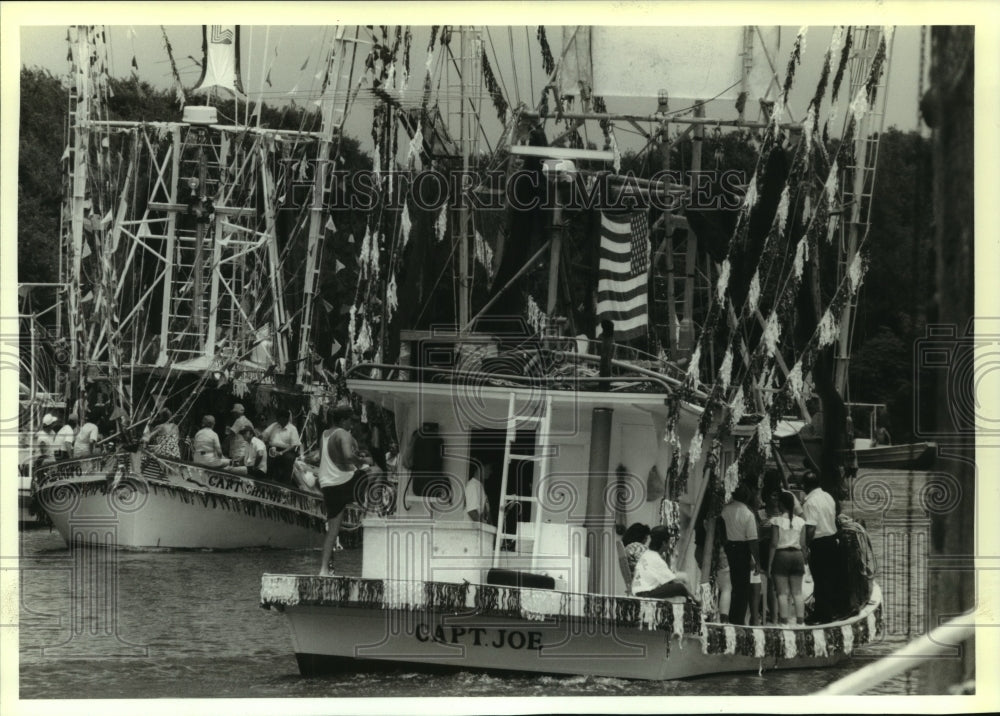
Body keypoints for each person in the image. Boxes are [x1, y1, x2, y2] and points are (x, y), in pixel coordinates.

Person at [317, 406, 371, 576]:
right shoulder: (343, 434)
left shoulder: (325, 434)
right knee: (375, 471)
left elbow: (324, 457)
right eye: (350, 420)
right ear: (343, 420)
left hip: (327, 484)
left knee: (333, 530)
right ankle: (372, 509)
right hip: (343, 483)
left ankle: (324, 569)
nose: (352, 424)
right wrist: (362, 461)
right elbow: (348, 456)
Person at [719, 483, 760, 625]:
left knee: (727, 584)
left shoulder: (724, 510)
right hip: (742, 550)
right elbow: (753, 540)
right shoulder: (748, 514)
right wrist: (757, 560)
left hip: (728, 548)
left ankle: (725, 615)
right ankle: (738, 620)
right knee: (741, 587)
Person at [802, 470, 839, 623]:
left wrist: (805, 545)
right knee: (828, 578)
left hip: (819, 543)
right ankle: (827, 611)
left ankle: (822, 614)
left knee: (819, 578)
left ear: (805, 486)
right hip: (831, 540)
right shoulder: (828, 497)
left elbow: (810, 528)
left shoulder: (810, 502)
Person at [768, 491, 808, 625]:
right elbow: (803, 544)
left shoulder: (776, 521)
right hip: (797, 556)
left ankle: (783, 622)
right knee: (797, 592)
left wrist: (769, 564)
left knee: (782, 593)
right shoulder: (801, 522)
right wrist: (805, 560)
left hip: (781, 556)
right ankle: (800, 622)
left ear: (781, 504)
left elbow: (773, 543)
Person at [632, 525, 693, 600]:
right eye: (668, 542)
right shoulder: (656, 558)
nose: (669, 545)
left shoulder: (647, 554)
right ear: (664, 543)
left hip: (639, 590)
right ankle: (693, 602)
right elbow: (673, 580)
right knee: (680, 587)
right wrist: (694, 597)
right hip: (645, 593)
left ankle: (690, 600)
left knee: (680, 582)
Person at [263, 409, 301, 483]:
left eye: (279, 418)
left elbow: (293, 445)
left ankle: (285, 483)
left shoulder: (292, 429)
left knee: (289, 458)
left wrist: (281, 452)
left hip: (286, 450)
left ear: (285, 419)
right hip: (273, 448)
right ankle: (267, 479)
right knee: (267, 457)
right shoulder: (274, 425)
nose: (277, 420)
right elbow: (264, 435)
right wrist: (264, 441)